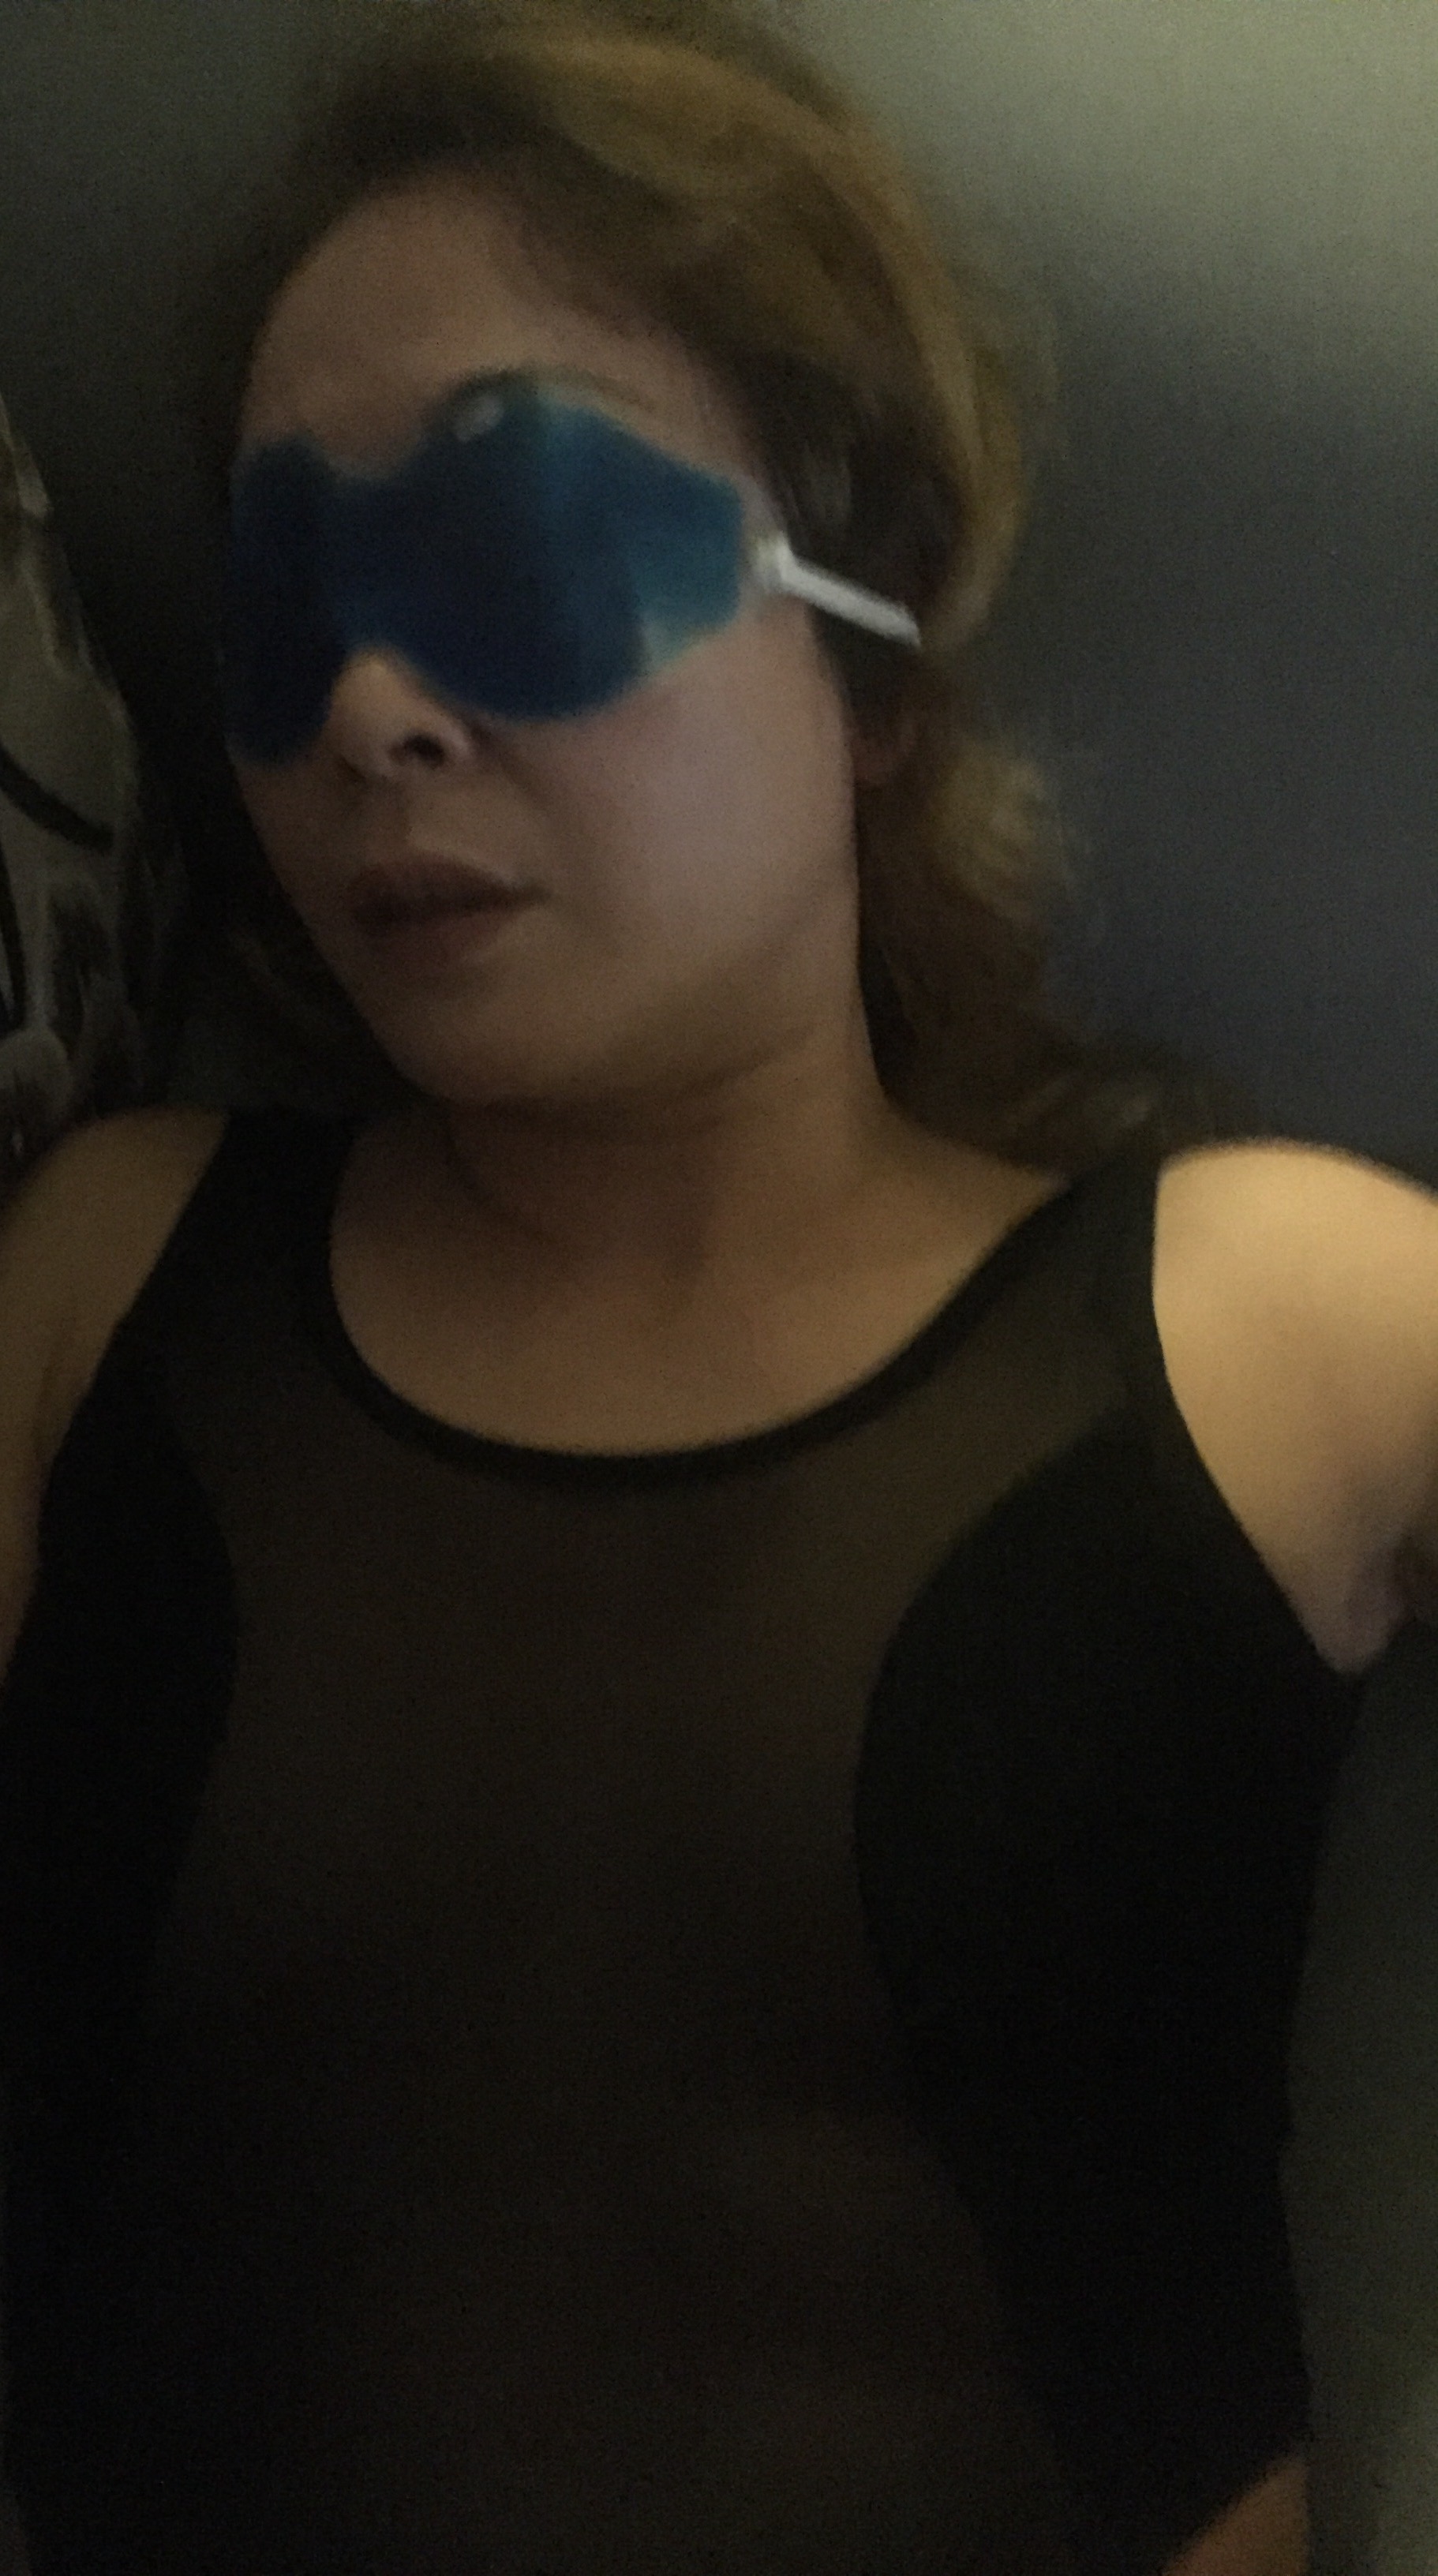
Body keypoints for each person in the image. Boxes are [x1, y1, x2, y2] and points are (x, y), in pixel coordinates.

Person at [0, 1, 1386, 2568]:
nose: (371, 713)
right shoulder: (113, 1283)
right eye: (290, 600)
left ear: (870, 654)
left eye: (508, 557)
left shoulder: (1253, 1320)